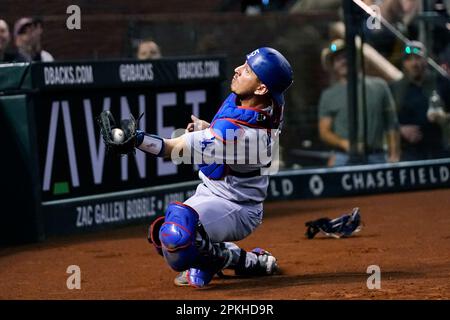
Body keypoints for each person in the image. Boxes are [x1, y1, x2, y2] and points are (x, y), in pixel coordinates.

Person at [318, 39, 400, 166]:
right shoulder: (328, 95)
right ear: (333, 65)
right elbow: (324, 131)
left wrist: (394, 155)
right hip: (343, 157)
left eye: (347, 56)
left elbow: (391, 124)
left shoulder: (379, 86)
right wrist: (345, 144)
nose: (343, 61)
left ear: (356, 58)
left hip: (377, 156)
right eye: (338, 59)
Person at [390, 41, 449, 161]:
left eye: (418, 58)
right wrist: (400, 130)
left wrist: (444, 117)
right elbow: (386, 120)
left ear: (426, 60)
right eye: (409, 59)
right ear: (404, 63)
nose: (414, 63)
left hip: (441, 150)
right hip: (408, 153)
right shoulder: (395, 88)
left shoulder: (442, 83)